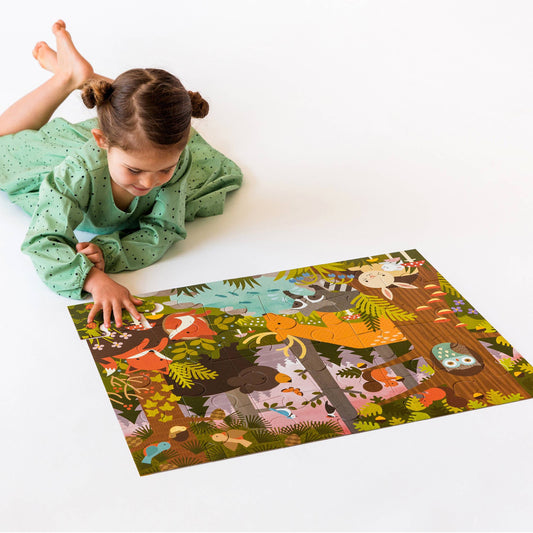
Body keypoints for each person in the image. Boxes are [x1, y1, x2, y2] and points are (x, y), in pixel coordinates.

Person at [0, 20, 243, 329]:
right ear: (102, 140)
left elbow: (164, 229)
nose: (149, 182)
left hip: (131, 138)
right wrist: (92, 279)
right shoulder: (77, 172)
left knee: (142, 117)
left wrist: (107, 251)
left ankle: (85, 80)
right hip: (78, 155)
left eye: (164, 169)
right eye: (134, 170)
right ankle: (67, 77)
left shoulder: (176, 157)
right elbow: (42, 239)